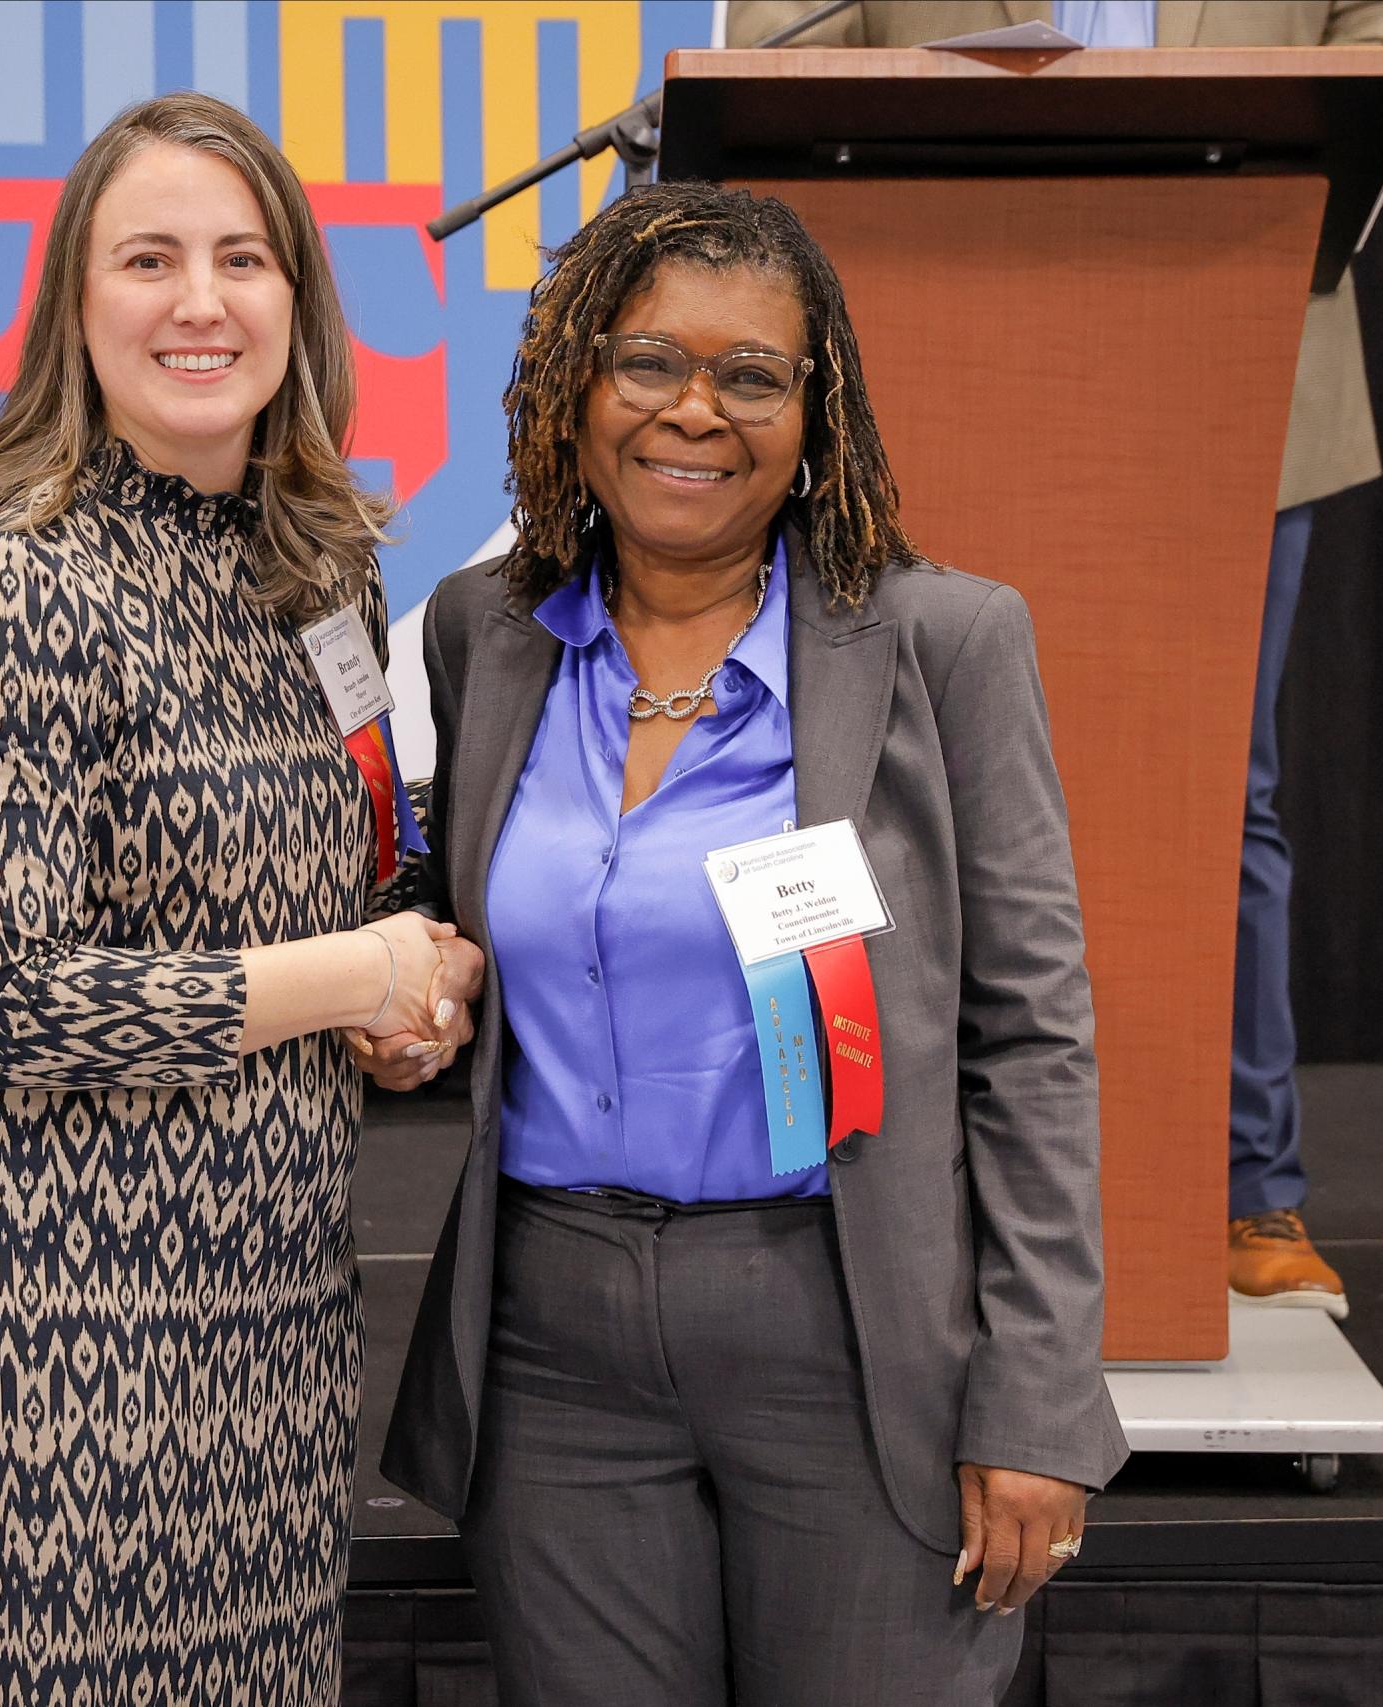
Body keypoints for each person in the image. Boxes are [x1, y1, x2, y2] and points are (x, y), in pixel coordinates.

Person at [367, 180, 1127, 1706]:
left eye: (751, 375)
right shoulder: (485, 633)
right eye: (646, 361)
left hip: (847, 1323)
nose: (693, 411)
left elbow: (1031, 1036)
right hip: (552, 1336)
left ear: (814, 408)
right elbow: (465, 919)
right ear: (574, 386)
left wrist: (1039, 1395)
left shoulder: (941, 642)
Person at [0, 92, 478, 1704]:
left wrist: (414, 991)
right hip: (34, 1354)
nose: (201, 301)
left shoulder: (327, 572)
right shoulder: (11, 591)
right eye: (150, 259)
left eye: (243, 258)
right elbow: (8, 1000)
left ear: (298, 303)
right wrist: (354, 975)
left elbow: (369, 863)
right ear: (77, 309)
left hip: (263, 1349)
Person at [730, 0, 1383, 1316]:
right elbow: (779, 33)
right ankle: (820, 1165)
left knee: (1217, 789)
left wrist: (1330, 120)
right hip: (924, 317)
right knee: (852, 773)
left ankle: (1248, 1188)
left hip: (1234, 316)